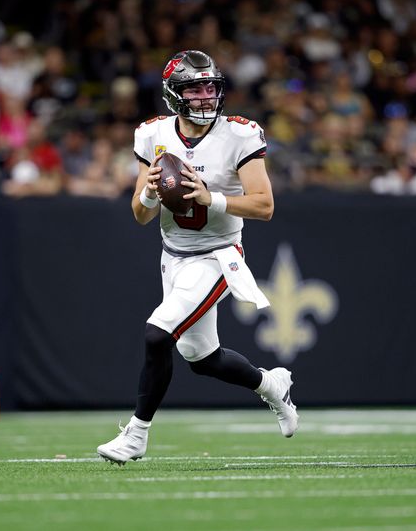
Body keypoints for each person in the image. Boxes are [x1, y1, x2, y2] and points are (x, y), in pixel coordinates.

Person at [96, 50, 298, 465]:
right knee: (202, 358)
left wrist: (214, 198)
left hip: (219, 256)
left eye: (211, 87)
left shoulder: (239, 135)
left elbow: (264, 206)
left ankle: (136, 435)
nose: (206, 97)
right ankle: (271, 385)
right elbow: (140, 215)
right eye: (195, 88)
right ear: (174, 94)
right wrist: (150, 191)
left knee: (157, 332)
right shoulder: (153, 134)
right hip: (173, 257)